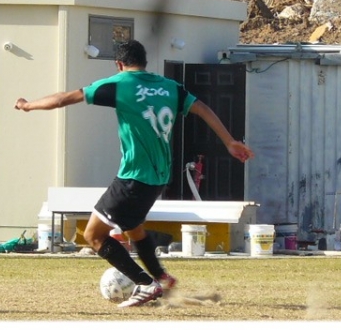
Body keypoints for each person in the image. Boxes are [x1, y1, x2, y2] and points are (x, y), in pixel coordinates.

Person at [15, 39, 254, 308]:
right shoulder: (170, 87)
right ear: (144, 61)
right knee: (134, 228)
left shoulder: (120, 84)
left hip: (133, 177)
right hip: (159, 177)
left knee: (94, 236)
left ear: (119, 64)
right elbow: (203, 109)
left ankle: (145, 283)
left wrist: (27, 105)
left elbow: (63, 99)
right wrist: (229, 142)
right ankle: (161, 278)